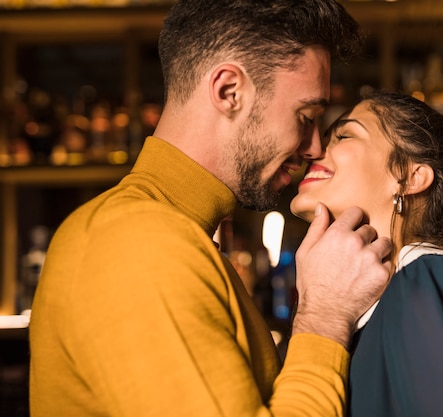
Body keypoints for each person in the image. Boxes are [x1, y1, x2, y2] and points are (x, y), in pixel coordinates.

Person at [28, 1, 394, 416]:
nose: (313, 148)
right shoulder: (136, 243)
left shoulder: (168, 235)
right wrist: (324, 317)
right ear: (228, 92)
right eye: (305, 115)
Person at [291, 90, 443, 417]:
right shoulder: (384, 297)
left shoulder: (431, 280)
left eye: (344, 135)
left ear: (410, 177)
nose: (317, 150)